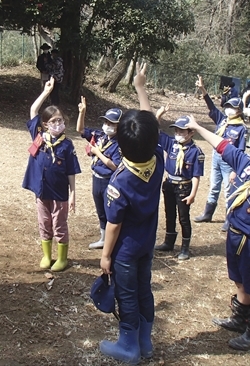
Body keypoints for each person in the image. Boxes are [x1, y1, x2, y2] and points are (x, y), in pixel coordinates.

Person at [186, 115, 250, 351]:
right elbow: (222, 145)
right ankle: (239, 319)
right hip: (234, 237)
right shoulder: (247, 168)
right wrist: (197, 127)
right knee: (239, 281)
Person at [99, 65, 164, 364]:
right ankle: (145, 342)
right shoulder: (158, 159)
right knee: (144, 291)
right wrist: (140, 88)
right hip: (147, 246)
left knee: (126, 296)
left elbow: (113, 225)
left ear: (120, 146)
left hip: (124, 251)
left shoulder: (120, 180)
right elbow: (150, 127)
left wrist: (106, 256)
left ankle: (129, 347)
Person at [22, 78, 81, 272]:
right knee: (44, 223)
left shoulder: (67, 144)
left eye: (61, 120)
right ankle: (47, 256)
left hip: (59, 194)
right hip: (41, 191)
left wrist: (73, 193)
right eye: (54, 121)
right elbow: (33, 111)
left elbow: (71, 171)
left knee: (59, 224)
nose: (58, 124)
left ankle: (62, 258)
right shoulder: (39, 137)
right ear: (45, 124)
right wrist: (46, 93)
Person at [193, 75, 247, 231]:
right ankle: (207, 214)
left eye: (233, 107)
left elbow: (241, 150)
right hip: (217, 158)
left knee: (229, 190)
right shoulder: (223, 120)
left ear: (239, 111)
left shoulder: (241, 128)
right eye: (228, 106)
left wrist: (236, 171)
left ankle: (229, 218)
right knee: (214, 187)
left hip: (229, 162)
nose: (229, 109)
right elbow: (211, 107)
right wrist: (203, 90)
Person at [153, 105, 204, 259]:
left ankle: (185, 248)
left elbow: (196, 175)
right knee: (169, 214)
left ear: (191, 133)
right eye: (176, 131)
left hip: (184, 186)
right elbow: (155, 131)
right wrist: (159, 114)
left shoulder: (196, 152)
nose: (178, 134)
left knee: (183, 218)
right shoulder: (171, 144)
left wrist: (193, 194)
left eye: (182, 131)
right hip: (169, 184)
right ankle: (169, 242)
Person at [76, 98, 122, 249]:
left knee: (110, 211)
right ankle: (103, 238)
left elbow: (115, 166)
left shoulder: (119, 144)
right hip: (96, 178)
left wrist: (97, 152)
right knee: (100, 210)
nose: (107, 126)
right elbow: (81, 130)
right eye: (106, 122)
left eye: (111, 123)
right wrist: (82, 113)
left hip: (109, 180)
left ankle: (112, 241)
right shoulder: (100, 135)